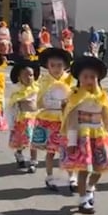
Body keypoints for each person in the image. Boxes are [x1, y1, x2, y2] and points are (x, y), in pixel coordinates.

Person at [60, 55, 108, 214]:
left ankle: (90, 187)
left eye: (92, 76)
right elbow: (71, 121)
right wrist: (72, 142)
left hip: (99, 136)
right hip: (82, 137)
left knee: (100, 168)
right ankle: (82, 199)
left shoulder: (102, 97)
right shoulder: (75, 98)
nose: (89, 80)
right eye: (85, 76)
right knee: (83, 169)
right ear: (79, 78)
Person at [33, 47, 75, 189]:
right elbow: (41, 101)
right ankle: (49, 177)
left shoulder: (70, 80)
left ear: (65, 66)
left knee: (68, 150)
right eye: (53, 65)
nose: (56, 69)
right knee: (51, 152)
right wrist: (60, 104)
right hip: (49, 119)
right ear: (47, 66)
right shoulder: (44, 81)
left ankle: (72, 177)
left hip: (66, 121)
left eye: (59, 65)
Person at [7, 59, 41, 172]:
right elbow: (11, 108)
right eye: (25, 75)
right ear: (19, 77)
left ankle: (33, 161)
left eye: (31, 75)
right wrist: (11, 123)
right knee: (21, 142)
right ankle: (19, 154)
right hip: (22, 120)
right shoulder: (17, 92)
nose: (29, 78)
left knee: (34, 142)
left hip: (34, 118)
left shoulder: (37, 89)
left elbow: (41, 103)